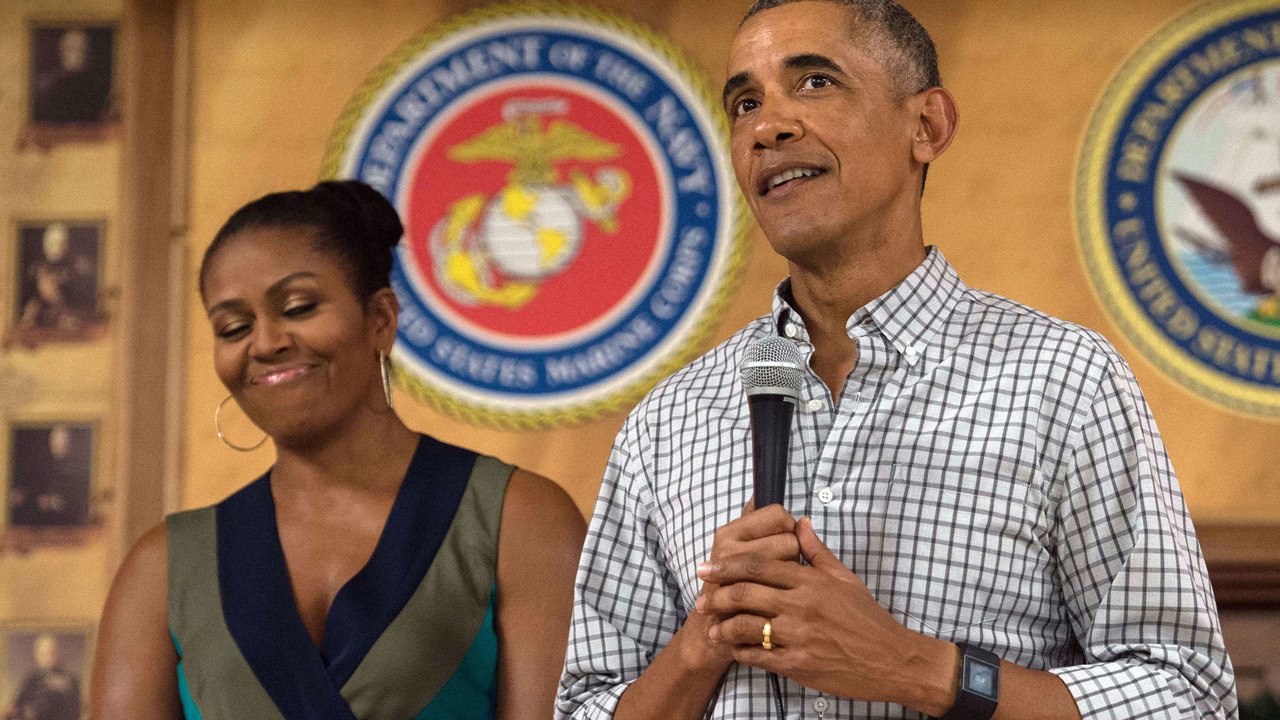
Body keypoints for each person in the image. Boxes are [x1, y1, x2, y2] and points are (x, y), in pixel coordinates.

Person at [558, 1, 1236, 719]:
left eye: (815, 82)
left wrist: (914, 667)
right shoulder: (668, 421)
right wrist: (707, 636)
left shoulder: (1063, 381)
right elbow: (584, 707)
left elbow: (1187, 695)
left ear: (927, 126)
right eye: (745, 104)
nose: (767, 127)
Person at [90, 180, 585, 719]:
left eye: (299, 307)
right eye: (233, 327)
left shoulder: (522, 520)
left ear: (381, 320)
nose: (265, 342)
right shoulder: (162, 569)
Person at [6, 634, 81, 720]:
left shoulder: (70, 680)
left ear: (56, 654)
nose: (46, 657)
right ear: (37, 656)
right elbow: (18, 703)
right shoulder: (30, 679)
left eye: (50, 653)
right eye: (42, 654)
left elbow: (74, 712)